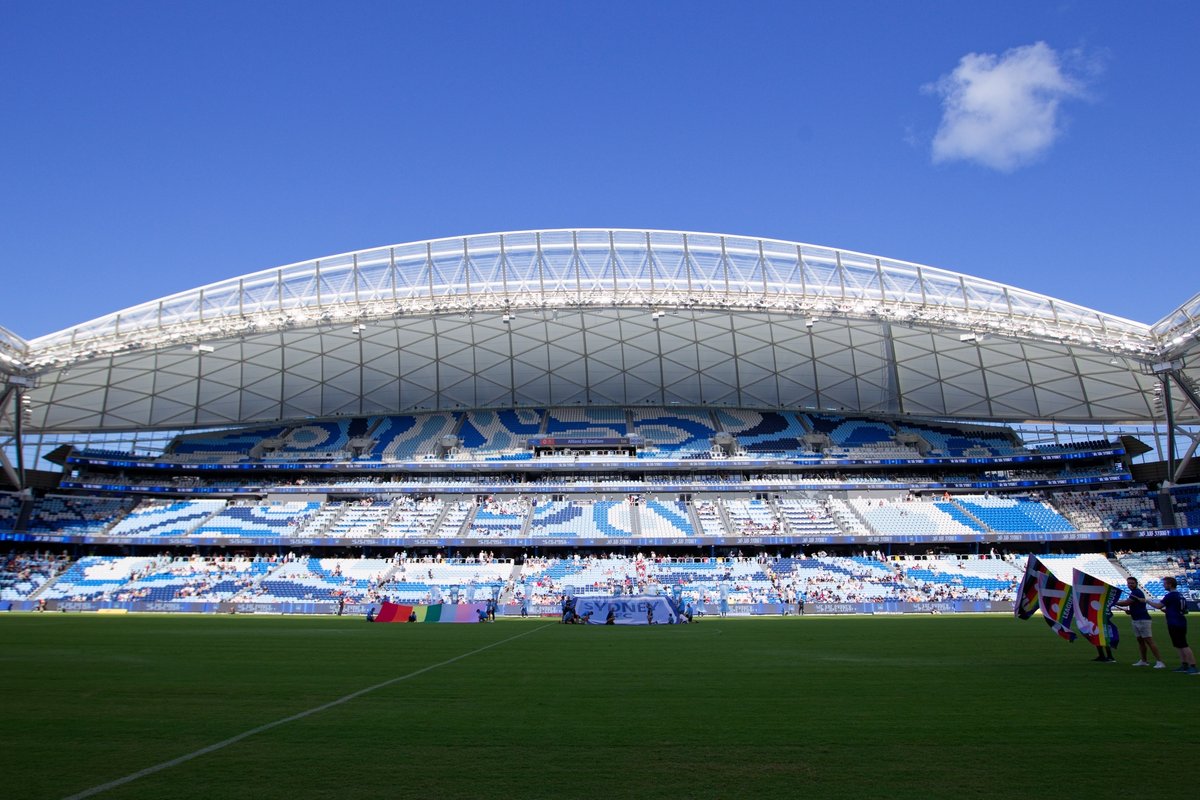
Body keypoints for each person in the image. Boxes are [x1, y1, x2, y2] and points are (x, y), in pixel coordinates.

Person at [1145, 577, 1197, 674]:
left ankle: (1193, 666)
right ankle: (1184, 664)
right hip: (1180, 621)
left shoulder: (1170, 596)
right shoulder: (1180, 595)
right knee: (1178, 644)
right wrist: (1168, 610)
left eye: (1165, 584)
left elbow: (1158, 606)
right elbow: (1184, 610)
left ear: (1170, 584)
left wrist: (1147, 601)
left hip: (1175, 622)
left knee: (1183, 645)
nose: (1163, 585)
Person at [1115, 576, 1166, 668]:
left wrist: (1114, 602)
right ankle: (1144, 660)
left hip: (1143, 620)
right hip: (1136, 619)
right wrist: (1130, 611)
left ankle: (1160, 661)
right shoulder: (1133, 592)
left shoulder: (1137, 592)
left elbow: (1127, 602)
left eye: (1132, 583)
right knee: (1140, 641)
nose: (1130, 585)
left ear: (1136, 584)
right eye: (1129, 583)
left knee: (1149, 640)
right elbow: (1134, 605)